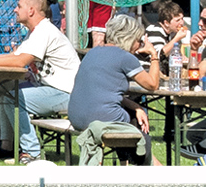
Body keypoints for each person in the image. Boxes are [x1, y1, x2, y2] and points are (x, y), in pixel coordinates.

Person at [0, 0, 82, 164]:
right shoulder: (36, 31)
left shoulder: (44, 31)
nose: (15, 10)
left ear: (31, 10)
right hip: (52, 89)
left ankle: (32, 153)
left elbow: (21, 61)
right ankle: (5, 147)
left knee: (12, 97)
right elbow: (16, 54)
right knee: (7, 87)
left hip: (67, 94)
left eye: (18, 6)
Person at [68, 14, 159, 166]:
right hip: (100, 117)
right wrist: (153, 55)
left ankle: (128, 164)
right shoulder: (125, 57)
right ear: (129, 39)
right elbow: (152, 84)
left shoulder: (92, 53)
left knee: (128, 113)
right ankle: (145, 168)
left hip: (76, 117)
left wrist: (136, 107)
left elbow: (103, 93)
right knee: (137, 124)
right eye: (138, 40)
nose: (139, 45)